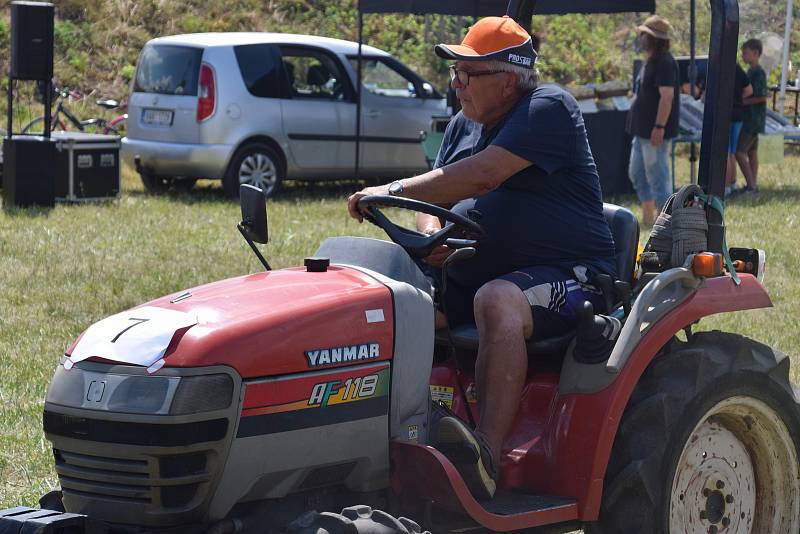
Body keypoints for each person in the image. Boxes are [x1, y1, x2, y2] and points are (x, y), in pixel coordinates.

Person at [347, 16, 616, 500]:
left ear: (509, 80)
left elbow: (483, 176)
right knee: (384, 309)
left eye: (468, 74)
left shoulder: (547, 107)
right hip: (469, 273)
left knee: (498, 300)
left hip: (574, 277)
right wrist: (433, 235)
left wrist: (389, 190)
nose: (456, 84)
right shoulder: (462, 126)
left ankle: (486, 455)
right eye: (454, 73)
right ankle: (381, 444)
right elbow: (438, 205)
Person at [627, 15, 680, 226]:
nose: (640, 37)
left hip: (654, 131)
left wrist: (659, 126)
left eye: (644, 34)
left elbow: (667, 97)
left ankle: (666, 224)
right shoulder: (651, 60)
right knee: (637, 174)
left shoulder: (666, 62)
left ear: (653, 38)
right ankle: (649, 219)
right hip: (641, 131)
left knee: (658, 177)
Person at [734, 39, 768, 195]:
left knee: (739, 152)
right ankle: (753, 184)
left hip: (752, 120)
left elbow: (762, 97)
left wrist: (742, 101)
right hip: (754, 120)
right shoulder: (750, 71)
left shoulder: (758, 72)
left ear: (755, 54)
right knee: (751, 152)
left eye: (745, 53)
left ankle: (751, 186)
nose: (743, 55)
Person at [724, 64, 753, 196]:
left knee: (726, 152)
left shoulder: (718, 67)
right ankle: (732, 184)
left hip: (726, 114)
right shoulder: (737, 68)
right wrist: (737, 99)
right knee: (732, 152)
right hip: (738, 114)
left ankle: (725, 187)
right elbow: (749, 90)